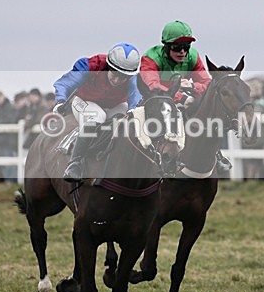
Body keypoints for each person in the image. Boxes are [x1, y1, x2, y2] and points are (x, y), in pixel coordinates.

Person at [139, 20, 231, 172]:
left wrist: (193, 87)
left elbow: (207, 84)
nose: (182, 52)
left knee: (205, 113)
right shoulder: (151, 57)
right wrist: (181, 96)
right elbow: (154, 87)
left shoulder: (193, 56)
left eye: (186, 47)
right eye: (177, 47)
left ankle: (216, 154)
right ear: (167, 46)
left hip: (178, 96)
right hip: (151, 96)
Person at [54, 42, 143, 182]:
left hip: (114, 105)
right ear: (108, 66)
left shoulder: (133, 78)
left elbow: (135, 97)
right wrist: (60, 100)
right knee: (98, 116)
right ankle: (74, 164)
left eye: (123, 76)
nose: (118, 80)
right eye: (115, 74)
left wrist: (133, 111)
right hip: (84, 101)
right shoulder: (92, 66)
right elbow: (65, 83)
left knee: (128, 122)